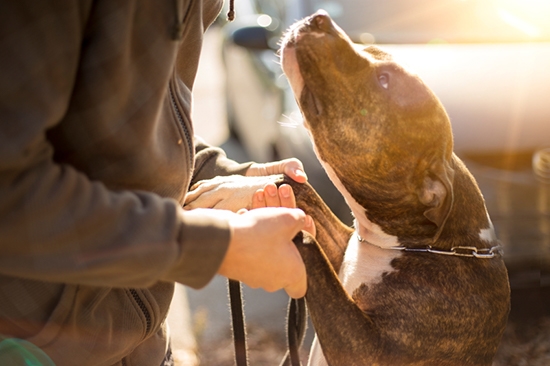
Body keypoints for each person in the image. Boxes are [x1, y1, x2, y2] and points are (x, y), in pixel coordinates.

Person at [0, 1, 312, 365]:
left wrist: (221, 176)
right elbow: (11, 187)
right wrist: (217, 248)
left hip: (140, 347)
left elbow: (120, 144)